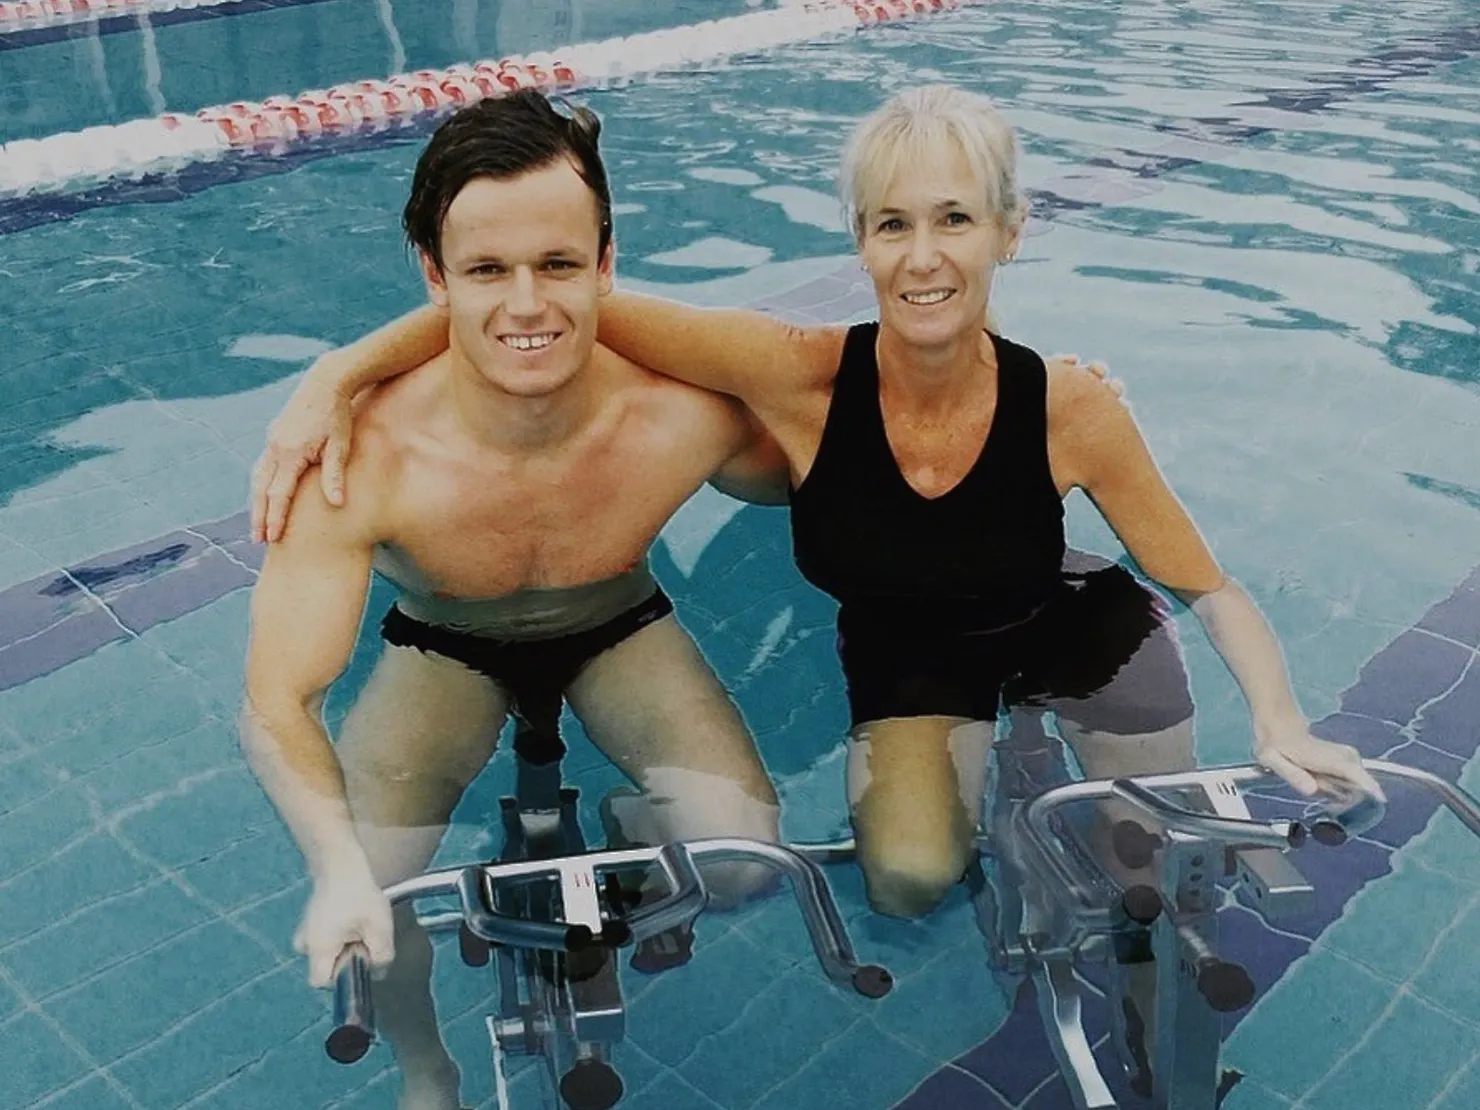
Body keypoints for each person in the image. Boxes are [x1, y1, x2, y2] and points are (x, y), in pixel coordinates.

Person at [255, 84, 1382, 916]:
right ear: (860, 241)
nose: (925, 255)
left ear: (1009, 231)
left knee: (1157, 875)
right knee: (902, 883)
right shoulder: (793, 379)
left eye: (953, 219)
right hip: (912, 663)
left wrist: (1281, 721)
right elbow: (536, 304)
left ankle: (1149, 1010)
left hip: (1075, 630)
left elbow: (1206, 584)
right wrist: (339, 372)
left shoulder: (1070, 403)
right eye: (893, 224)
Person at [238, 91, 791, 1110]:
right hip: (441, 642)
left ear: (607, 266)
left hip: (619, 622)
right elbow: (277, 702)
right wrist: (335, 871)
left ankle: (614, 865)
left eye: (558, 265)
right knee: (376, 895)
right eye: (487, 271)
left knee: (745, 855)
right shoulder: (360, 460)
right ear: (434, 276)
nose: (527, 306)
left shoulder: (683, 414)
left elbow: (841, 460)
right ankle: (426, 1067)